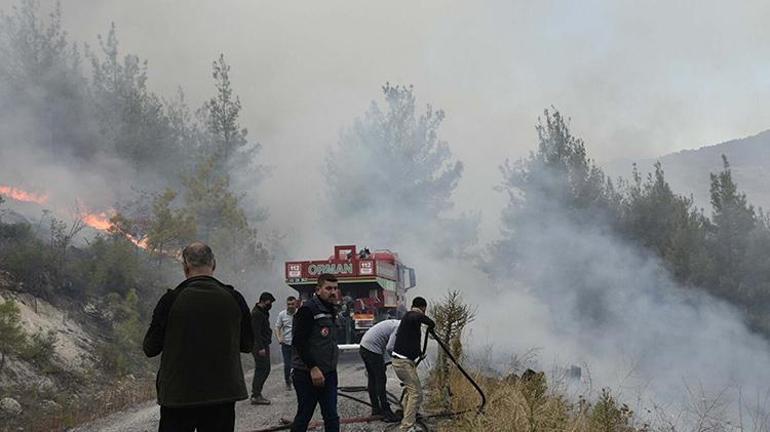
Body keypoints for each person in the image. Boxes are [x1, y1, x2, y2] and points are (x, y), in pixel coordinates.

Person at [143, 242, 253, 432]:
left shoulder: (171, 300)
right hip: (222, 397)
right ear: (214, 264)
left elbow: (150, 348)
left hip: (178, 398)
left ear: (185, 267)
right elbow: (247, 345)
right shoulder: (234, 298)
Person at [290, 273, 341, 432]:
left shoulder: (331, 309)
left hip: (329, 372)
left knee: (331, 416)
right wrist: (313, 368)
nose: (332, 292)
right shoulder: (307, 310)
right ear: (318, 289)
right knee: (304, 415)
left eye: (335, 288)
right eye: (328, 288)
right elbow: (299, 341)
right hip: (307, 374)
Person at [391, 297, 435, 432]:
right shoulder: (411, 316)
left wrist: (419, 352)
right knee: (416, 393)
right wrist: (430, 323)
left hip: (405, 362)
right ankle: (407, 426)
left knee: (411, 392)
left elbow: (412, 339)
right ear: (423, 308)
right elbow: (417, 317)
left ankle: (408, 417)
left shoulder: (410, 320)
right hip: (403, 363)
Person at [358, 319, 400, 422]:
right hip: (372, 349)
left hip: (364, 347)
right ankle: (386, 412)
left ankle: (376, 409)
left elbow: (384, 343)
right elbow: (390, 347)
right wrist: (397, 358)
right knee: (381, 379)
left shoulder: (395, 323)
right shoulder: (399, 327)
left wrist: (385, 361)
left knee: (373, 379)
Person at [251, 291, 276, 405]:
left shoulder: (263, 312)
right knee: (263, 369)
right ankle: (256, 395)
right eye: (269, 302)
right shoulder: (256, 313)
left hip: (263, 344)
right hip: (259, 346)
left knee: (265, 368)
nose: (270, 305)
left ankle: (256, 393)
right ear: (264, 301)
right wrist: (260, 347)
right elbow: (256, 333)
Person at [275, 295, 298, 390]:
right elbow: (277, 327)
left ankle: (296, 380)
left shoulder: (300, 313)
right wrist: (279, 338)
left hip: (297, 344)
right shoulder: (282, 314)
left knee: (297, 364)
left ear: (296, 304)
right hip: (286, 343)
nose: (291, 306)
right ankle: (287, 382)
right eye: (289, 304)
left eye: (292, 304)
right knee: (287, 364)